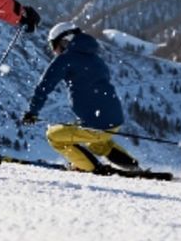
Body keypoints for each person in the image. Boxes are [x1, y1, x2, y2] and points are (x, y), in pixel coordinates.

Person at [20, 22, 141, 174]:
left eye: (55, 46)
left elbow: (44, 87)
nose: (54, 51)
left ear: (65, 40)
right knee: (98, 143)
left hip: (96, 124)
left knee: (53, 136)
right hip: (114, 119)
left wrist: (32, 112)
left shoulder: (66, 59)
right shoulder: (95, 58)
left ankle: (92, 169)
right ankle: (134, 167)